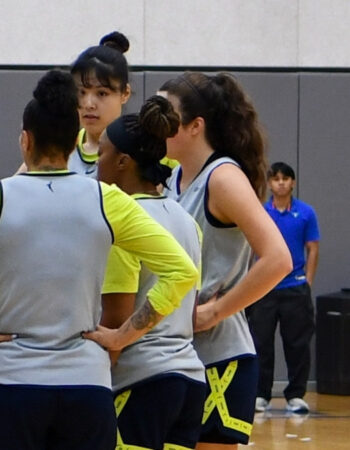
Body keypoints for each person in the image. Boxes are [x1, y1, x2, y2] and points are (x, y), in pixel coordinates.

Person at [0, 70, 198, 450]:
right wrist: (123, 335)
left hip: (10, 385)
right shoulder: (107, 200)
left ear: (25, 140)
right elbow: (182, 271)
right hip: (86, 389)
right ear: (75, 145)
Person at [159, 72, 292, 449]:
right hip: (178, 355)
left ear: (195, 126)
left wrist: (214, 311)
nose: (156, 123)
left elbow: (278, 259)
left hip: (220, 358)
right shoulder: (171, 178)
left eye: (166, 115)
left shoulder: (223, 177)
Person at [83, 95, 206, 449]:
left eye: (100, 153)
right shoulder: (185, 219)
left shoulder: (123, 224)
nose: (94, 164)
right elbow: (190, 312)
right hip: (189, 382)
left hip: (141, 381)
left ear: (122, 161)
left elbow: (115, 324)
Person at [247, 162, 319, 414]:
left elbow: (312, 248)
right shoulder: (260, 212)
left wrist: (307, 281)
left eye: (285, 179)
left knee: (297, 344)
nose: (280, 183)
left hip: (295, 289)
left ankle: (296, 395)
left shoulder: (306, 213)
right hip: (263, 290)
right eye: (275, 179)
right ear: (269, 183)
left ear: (293, 183)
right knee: (261, 342)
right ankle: (260, 394)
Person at [16, 31, 131, 176]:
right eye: (81, 92)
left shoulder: (137, 150)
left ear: (125, 93)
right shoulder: (59, 143)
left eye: (102, 93)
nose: (89, 104)